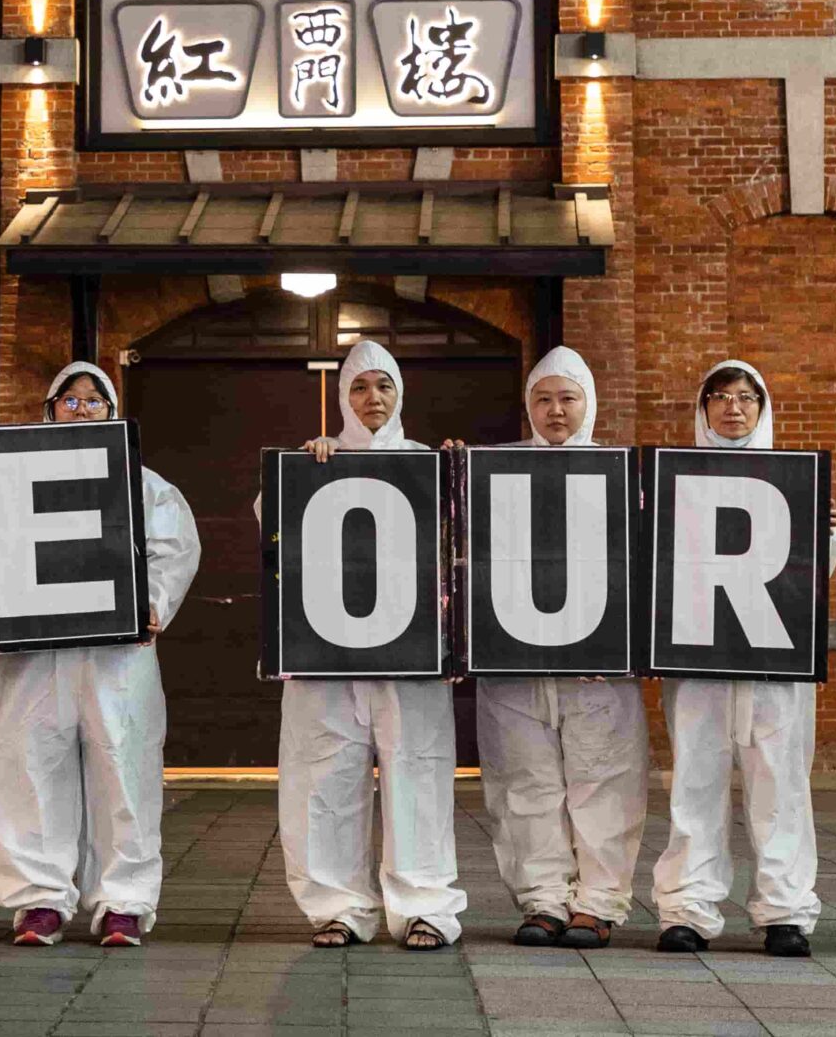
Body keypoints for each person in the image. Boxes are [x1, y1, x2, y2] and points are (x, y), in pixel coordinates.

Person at [0, 361, 201, 947]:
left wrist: (154, 603)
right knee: (28, 769)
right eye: (70, 401)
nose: (82, 411)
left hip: (116, 658)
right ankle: (39, 900)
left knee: (123, 770)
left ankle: (123, 901)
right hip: (34, 658)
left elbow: (174, 548)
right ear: (48, 409)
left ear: (113, 412)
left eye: (94, 402)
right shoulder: (7, 483)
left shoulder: (142, 483)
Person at [278, 340, 468, 951]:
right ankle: (337, 906)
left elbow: (471, 539)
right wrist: (307, 473)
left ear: (401, 394)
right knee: (323, 776)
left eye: (383, 386)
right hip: (327, 657)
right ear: (343, 398)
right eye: (360, 388)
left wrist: (459, 474)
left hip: (411, 655)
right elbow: (274, 526)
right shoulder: (317, 460)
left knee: (420, 773)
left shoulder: (426, 463)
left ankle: (425, 907)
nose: (373, 399)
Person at [651, 359, 836, 957]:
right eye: (720, 397)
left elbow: (812, 582)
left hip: (773, 665)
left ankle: (785, 910)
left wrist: (822, 533)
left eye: (745, 398)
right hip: (699, 662)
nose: (733, 408)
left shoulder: (793, 484)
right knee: (695, 782)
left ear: (762, 408)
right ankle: (687, 907)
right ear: (703, 409)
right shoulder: (674, 484)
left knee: (781, 783)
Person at [476, 347, 649, 949]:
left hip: (598, 671)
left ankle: (598, 904)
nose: (555, 411)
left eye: (567, 398)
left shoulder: (626, 476)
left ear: (588, 404)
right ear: (528, 407)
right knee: (523, 784)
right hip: (513, 667)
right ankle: (543, 901)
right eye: (543, 399)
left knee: (604, 783)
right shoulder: (489, 471)